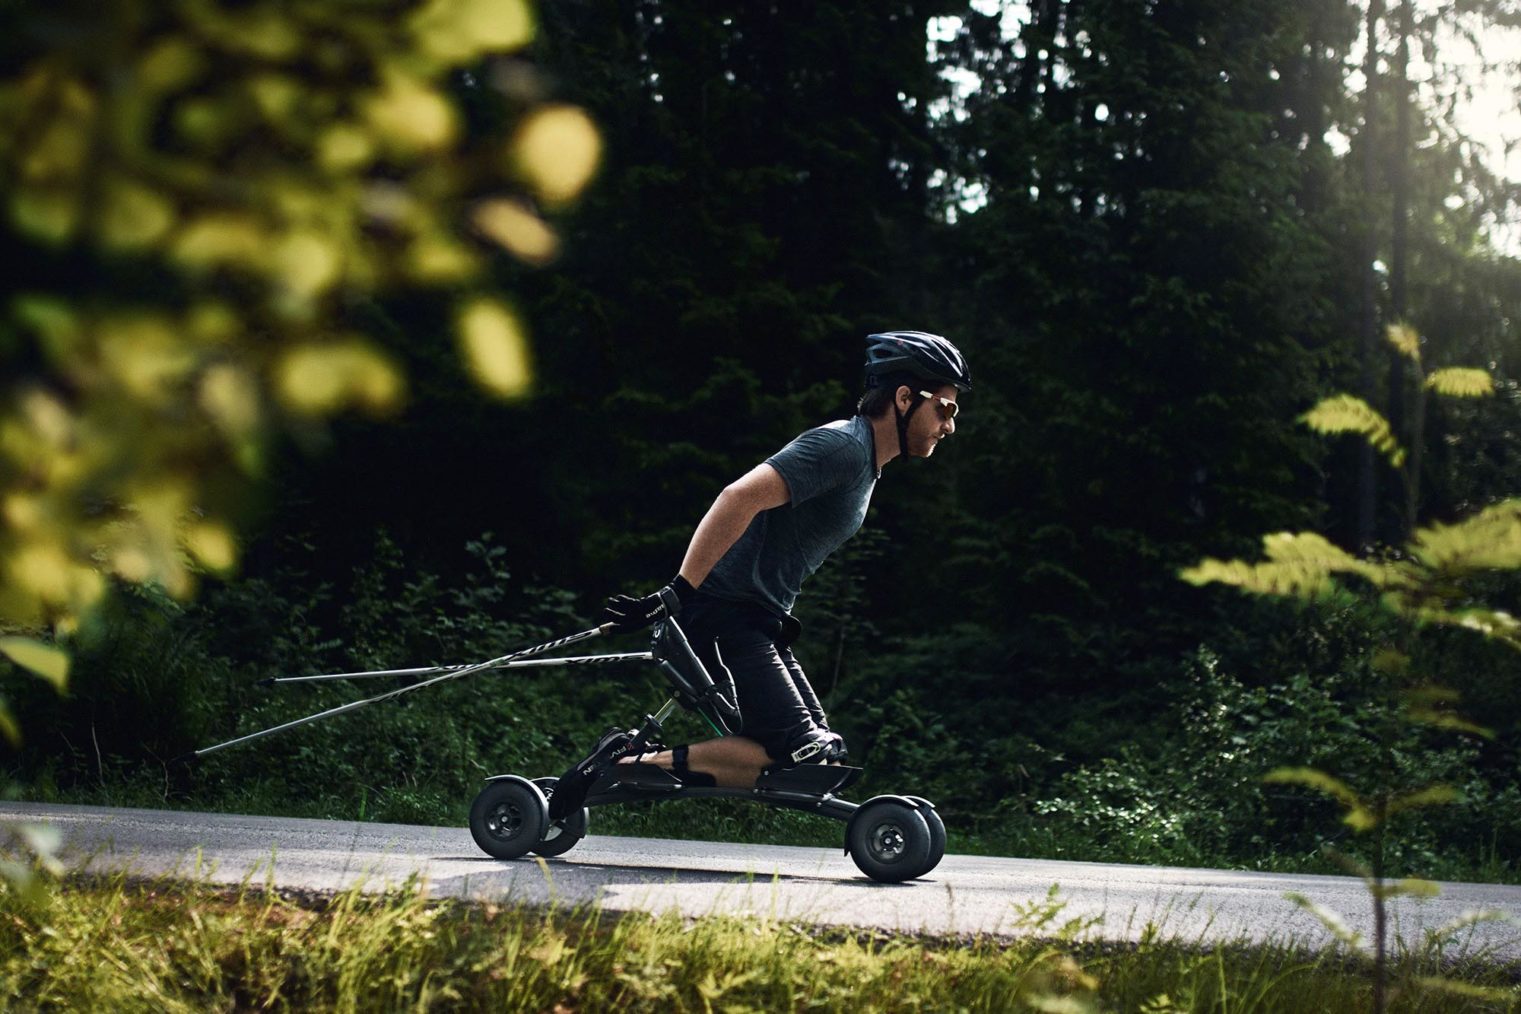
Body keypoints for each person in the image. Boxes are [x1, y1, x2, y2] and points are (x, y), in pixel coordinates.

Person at [577, 331, 970, 798]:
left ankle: (628, 765)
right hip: (724, 612)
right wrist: (677, 592)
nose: (949, 426)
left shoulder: (865, 462)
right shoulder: (841, 446)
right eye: (944, 408)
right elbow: (738, 497)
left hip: (757, 618)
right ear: (904, 398)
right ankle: (622, 766)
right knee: (797, 750)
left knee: (819, 756)